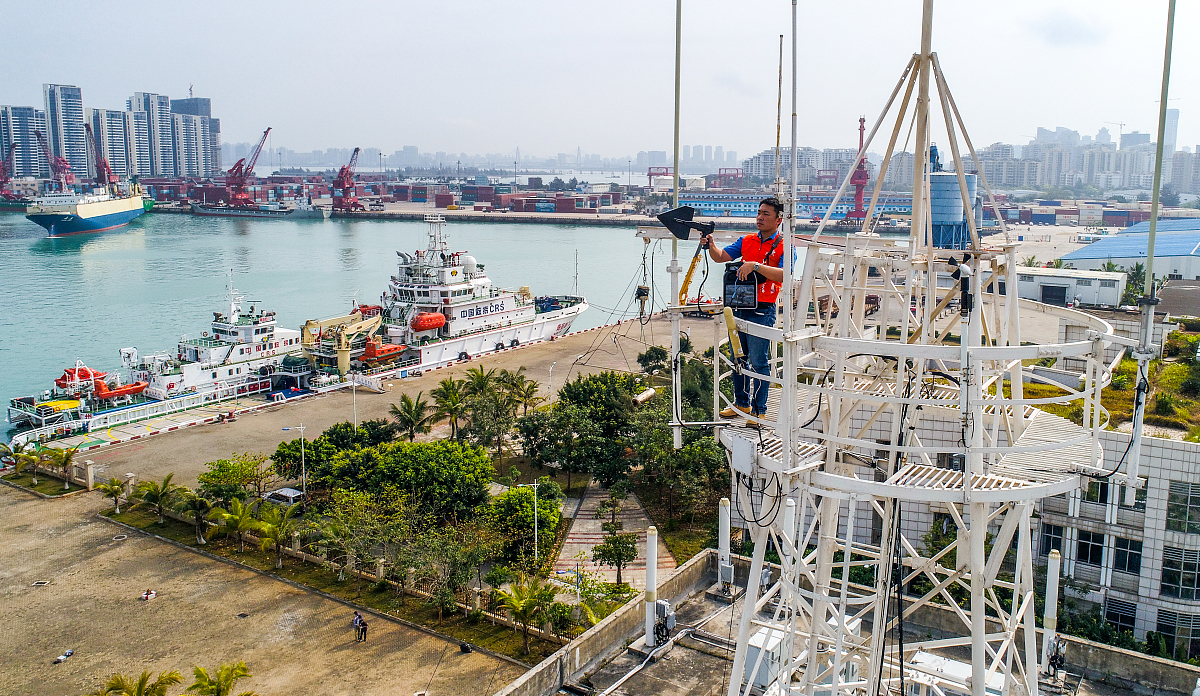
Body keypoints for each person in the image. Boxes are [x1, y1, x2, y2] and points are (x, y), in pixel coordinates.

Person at [702, 197, 787, 425]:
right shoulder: (747, 241)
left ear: (778, 219)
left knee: (759, 361)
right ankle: (742, 403)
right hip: (739, 305)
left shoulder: (784, 245)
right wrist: (711, 245)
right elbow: (721, 257)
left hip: (762, 309)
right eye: (759, 212)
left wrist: (755, 266)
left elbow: (785, 274)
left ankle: (759, 410)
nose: (760, 217)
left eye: (766, 214)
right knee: (737, 358)